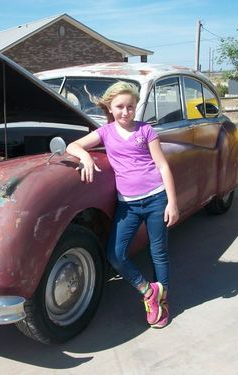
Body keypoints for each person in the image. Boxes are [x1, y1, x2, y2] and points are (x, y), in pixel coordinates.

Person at [66, 81, 179, 328]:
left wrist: (172, 202)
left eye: (130, 106)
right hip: (127, 205)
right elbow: (72, 146)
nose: (125, 112)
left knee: (158, 253)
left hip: (156, 199)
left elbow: (162, 166)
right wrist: (84, 156)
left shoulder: (146, 131)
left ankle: (163, 303)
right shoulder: (106, 133)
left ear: (136, 107)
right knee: (115, 255)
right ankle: (149, 291)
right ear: (110, 107)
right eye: (120, 107)